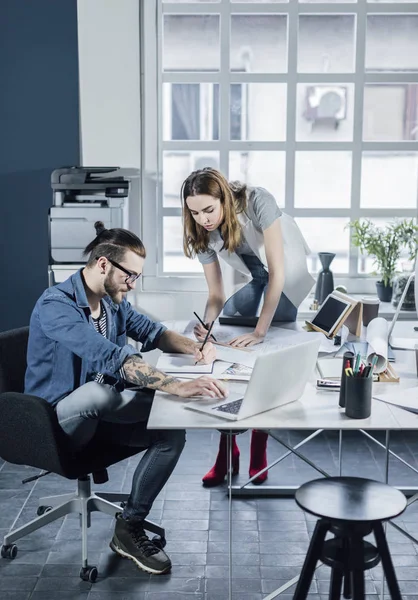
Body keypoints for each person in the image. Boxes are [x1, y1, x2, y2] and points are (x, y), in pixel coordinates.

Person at [25, 221, 226, 575]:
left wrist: (199, 348)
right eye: (129, 275)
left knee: (170, 430)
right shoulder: (55, 305)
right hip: (56, 420)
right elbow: (110, 358)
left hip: (102, 413)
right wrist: (174, 387)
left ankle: (129, 526)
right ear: (103, 264)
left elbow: (155, 333)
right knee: (101, 392)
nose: (132, 284)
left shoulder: (113, 302)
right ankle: (178, 402)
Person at [181, 167, 314, 486]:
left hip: (285, 279)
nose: (204, 219)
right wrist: (208, 328)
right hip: (257, 280)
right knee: (228, 355)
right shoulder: (200, 232)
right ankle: (228, 450)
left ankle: (259, 445)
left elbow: (278, 275)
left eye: (209, 210)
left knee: (265, 358)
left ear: (224, 198)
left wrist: (259, 332)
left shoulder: (258, 202)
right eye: (195, 212)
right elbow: (216, 294)